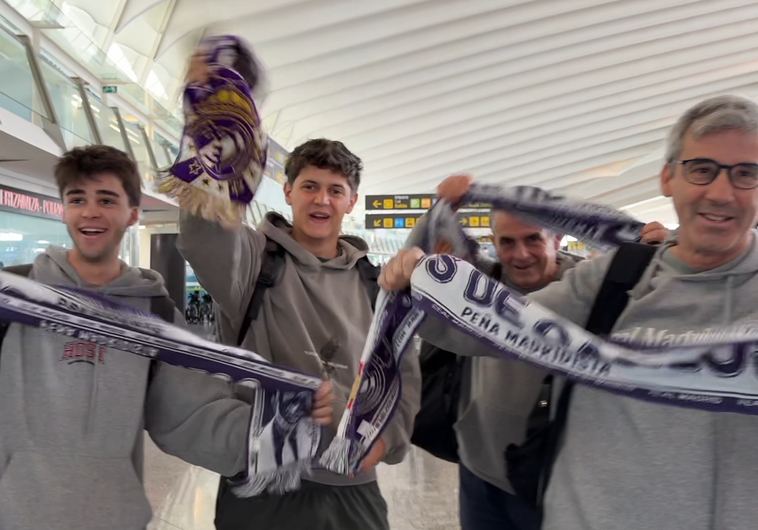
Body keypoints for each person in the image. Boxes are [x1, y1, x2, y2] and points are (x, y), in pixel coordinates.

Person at [379, 94, 758, 530]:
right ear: (668, 178)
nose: (722, 192)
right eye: (702, 169)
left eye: (746, 173)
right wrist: (416, 285)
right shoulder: (617, 279)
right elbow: (489, 329)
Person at [0, 145, 332, 530]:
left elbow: (192, 415)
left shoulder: (153, 314)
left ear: (132, 215)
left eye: (107, 199)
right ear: (64, 210)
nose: (91, 211)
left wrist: (284, 429)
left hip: (113, 517)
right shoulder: (14, 296)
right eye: (78, 199)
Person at [177, 138, 421, 530]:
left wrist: (383, 443)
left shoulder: (374, 285)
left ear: (351, 201)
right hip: (263, 485)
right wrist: (213, 142)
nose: (321, 200)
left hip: (351, 489)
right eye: (310, 186)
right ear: (288, 191)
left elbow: (402, 375)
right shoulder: (253, 263)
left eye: (335, 190)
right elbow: (201, 233)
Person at [409, 190, 667, 530]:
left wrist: (662, 252)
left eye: (533, 239)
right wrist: (441, 209)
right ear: (494, 242)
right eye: (507, 242)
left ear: (557, 237)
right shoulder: (481, 282)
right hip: (480, 472)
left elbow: (667, 302)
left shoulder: (592, 289)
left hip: (557, 475)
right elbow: (416, 261)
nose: (521, 254)